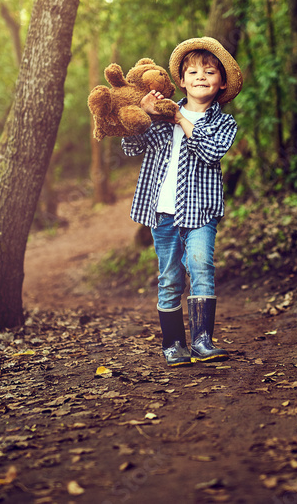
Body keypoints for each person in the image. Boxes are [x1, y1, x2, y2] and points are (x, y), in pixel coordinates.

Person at [122, 37, 242, 366]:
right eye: (192, 71)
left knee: (201, 266)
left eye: (209, 71)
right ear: (182, 81)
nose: (201, 76)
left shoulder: (223, 123)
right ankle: (173, 343)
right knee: (170, 276)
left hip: (201, 213)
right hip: (163, 214)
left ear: (221, 84)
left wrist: (180, 119)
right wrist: (142, 114)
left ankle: (202, 340)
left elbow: (210, 151)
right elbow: (131, 148)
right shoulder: (161, 119)